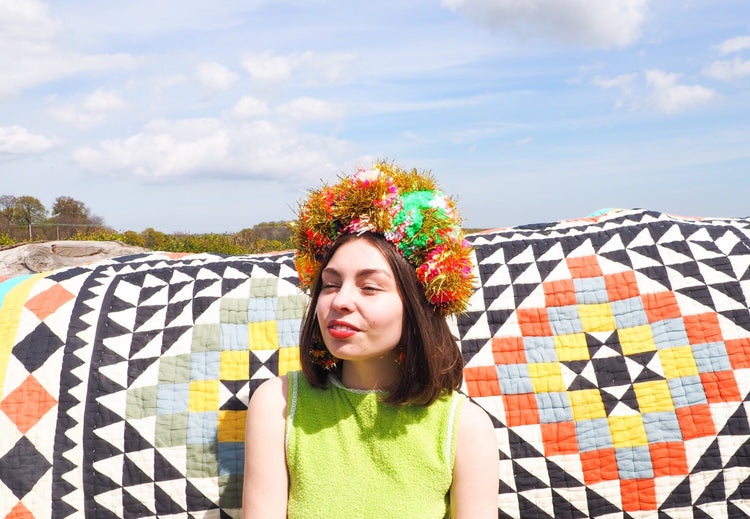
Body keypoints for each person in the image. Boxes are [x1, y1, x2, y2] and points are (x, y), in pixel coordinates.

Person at [242, 163, 498, 518]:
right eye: (330, 284)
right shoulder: (279, 405)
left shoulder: (465, 428)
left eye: (370, 287)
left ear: (418, 307)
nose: (340, 300)